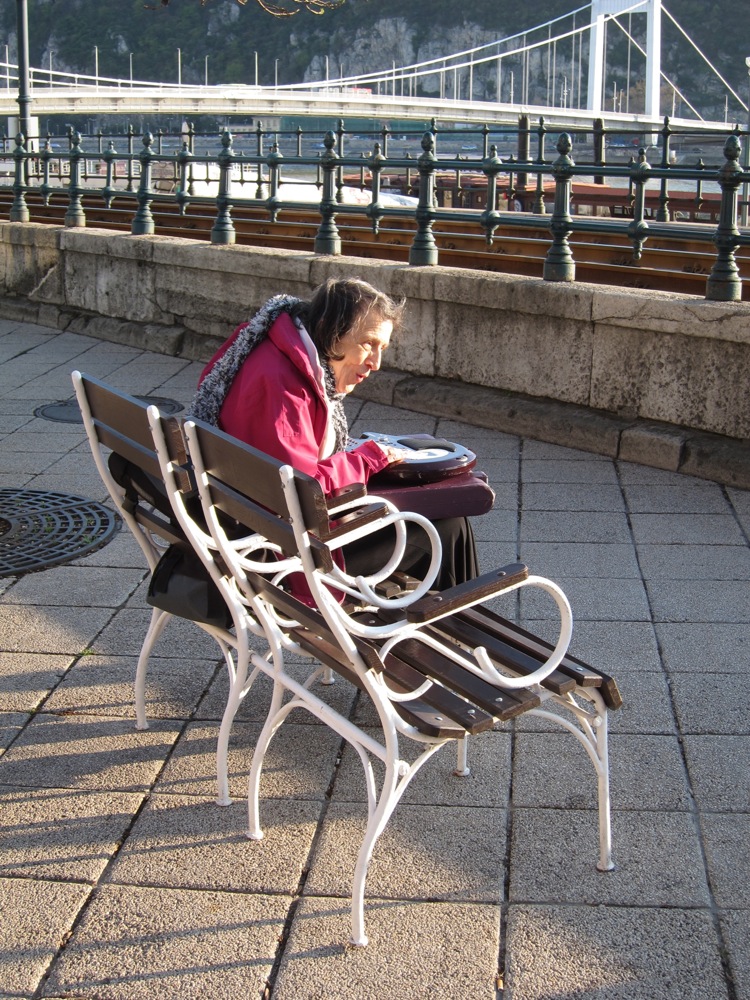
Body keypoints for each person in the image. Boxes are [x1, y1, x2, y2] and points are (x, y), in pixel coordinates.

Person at [189, 277, 478, 590]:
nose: (376, 363)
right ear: (331, 330)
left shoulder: (269, 351)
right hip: (290, 562)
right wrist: (368, 458)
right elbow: (302, 490)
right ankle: (458, 618)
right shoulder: (284, 386)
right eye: (368, 343)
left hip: (253, 532)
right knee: (449, 526)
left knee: (437, 519)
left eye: (382, 348)